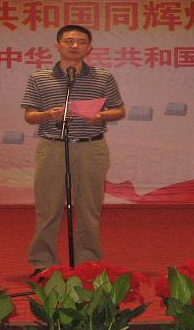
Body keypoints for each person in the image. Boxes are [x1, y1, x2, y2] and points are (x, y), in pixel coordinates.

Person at [21, 24, 126, 274]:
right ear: (57, 46)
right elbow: (30, 116)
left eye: (81, 42)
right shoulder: (39, 78)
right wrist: (48, 115)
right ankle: (43, 263)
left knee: (89, 208)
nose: (75, 46)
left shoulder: (103, 77)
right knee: (48, 208)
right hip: (53, 147)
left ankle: (87, 263)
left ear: (89, 48)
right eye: (69, 41)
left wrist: (99, 115)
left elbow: (119, 110)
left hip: (91, 147)